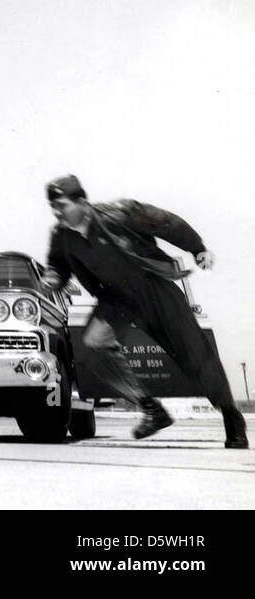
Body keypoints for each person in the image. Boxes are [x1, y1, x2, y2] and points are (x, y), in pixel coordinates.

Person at [41, 174, 246, 449]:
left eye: (62, 205)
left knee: (194, 353)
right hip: (116, 299)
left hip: (154, 288)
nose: (57, 212)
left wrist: (198, 249)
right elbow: (58, 265)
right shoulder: (61, 236)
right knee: (92, 345)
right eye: (53, 207)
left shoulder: (120, 213)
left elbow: (167, 223)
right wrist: (52, 278)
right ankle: (152, 409)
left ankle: (231, 416)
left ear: (82, 202)